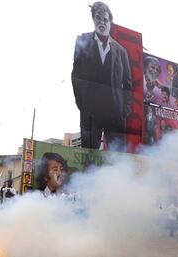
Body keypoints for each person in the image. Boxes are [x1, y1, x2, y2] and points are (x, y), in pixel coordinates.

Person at [71, 1, 132, 150]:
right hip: (90, 112)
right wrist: (82, 103)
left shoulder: (121, 51)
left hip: (115, 115)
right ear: (93, 19)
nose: (102, 22)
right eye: (98, 18)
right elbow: (76, 75)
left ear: (110, 22)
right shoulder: (83, 40)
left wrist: (124, 111)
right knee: (89, 157)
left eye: (105, 19)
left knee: (116, 159)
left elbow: (128, 85)